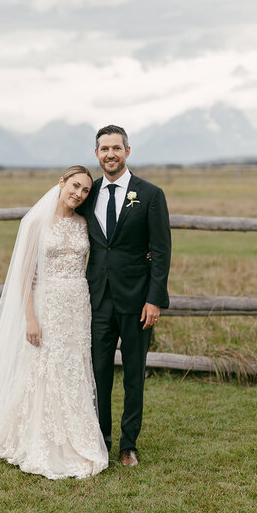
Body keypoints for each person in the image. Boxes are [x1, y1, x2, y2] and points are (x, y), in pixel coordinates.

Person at [0, 165, 108, 480]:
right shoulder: (37, 223)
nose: (79, 194)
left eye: (85, 190)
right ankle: (38, 438)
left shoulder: (85, 224)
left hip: (77, 306)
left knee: (73, 366)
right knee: (42, 367)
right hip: (46, 304)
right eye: (75, 186)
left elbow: (107, 253)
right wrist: (30, 317)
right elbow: (24, 274)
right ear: (61, 182)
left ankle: (75, 437)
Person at [76, 125, 171, 468]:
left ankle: (128, 444)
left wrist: (155, 299)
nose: (110, 154)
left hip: (137, 302)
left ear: (127, 152)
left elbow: (161, 251)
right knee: (98, 374)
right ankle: (100, 438)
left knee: (134, 375)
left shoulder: (150, 194)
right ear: (97, 154)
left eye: (117, 148)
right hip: (98, 300)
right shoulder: (89, 194)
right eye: (104, 149)